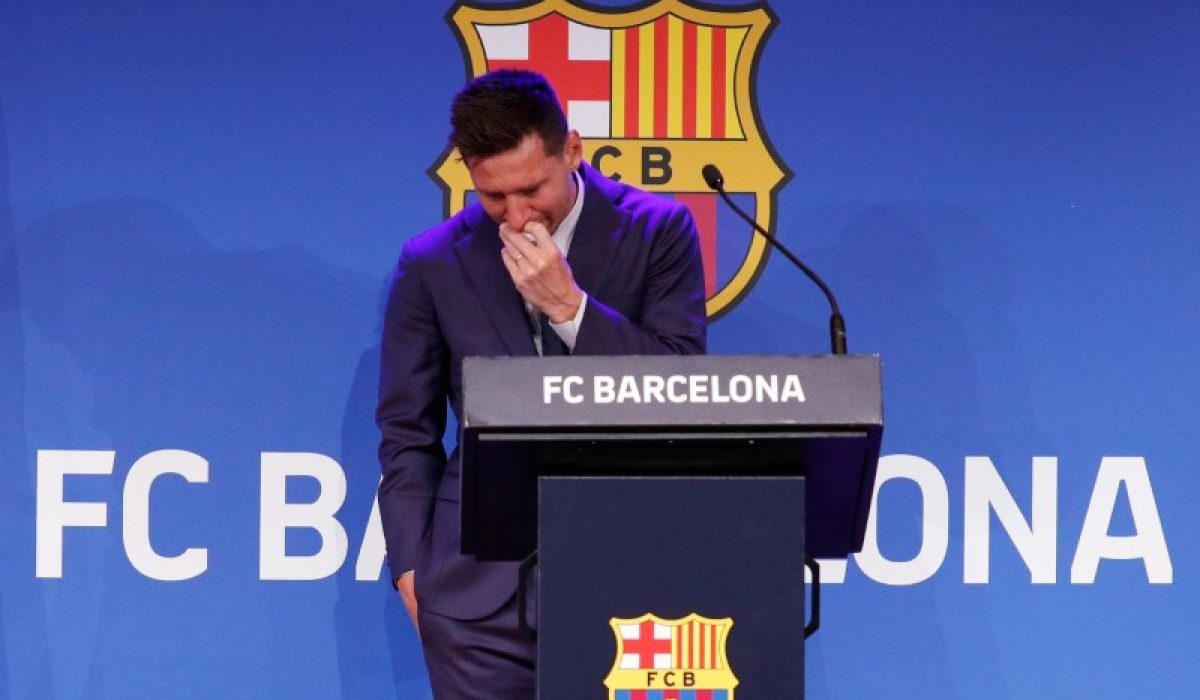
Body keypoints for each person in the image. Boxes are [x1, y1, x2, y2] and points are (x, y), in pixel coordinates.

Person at [376, 68, 707, 699]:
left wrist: (572, 309)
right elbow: (405, 432)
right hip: (475, 596)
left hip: (632, 576)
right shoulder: (431, 262)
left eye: (532, 188)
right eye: (494, 197)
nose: (517, 215)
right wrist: (413, 571)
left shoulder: (658, 230)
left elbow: (682, 385)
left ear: (572, 151)